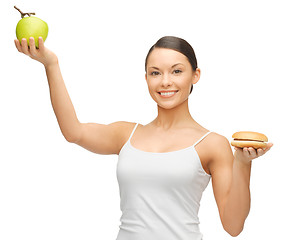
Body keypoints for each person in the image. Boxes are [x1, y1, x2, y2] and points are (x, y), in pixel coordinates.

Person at [14, 36, 273, 239]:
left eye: (176, 71)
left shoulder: (212, 143)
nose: (165, 82)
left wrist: (243, 164)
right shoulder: (127, 134)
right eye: (155, 72)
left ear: (195, 75)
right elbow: (74, 131)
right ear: (146, 78)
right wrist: (51, 64)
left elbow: (233, 226)